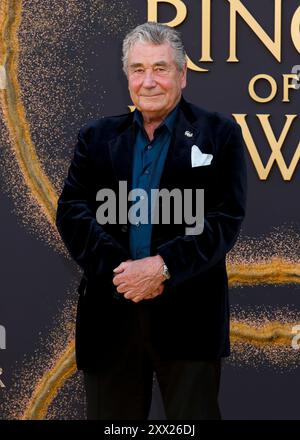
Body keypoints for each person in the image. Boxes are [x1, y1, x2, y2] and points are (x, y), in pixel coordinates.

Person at [56, 22, 247, 420]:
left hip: (190, 324)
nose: (149, 81)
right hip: (110, 322)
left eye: (160, 68)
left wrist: (161, 267)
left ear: (182, 74)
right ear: (127, 75)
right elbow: (73, 211)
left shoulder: (219, 133)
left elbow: (224, 219)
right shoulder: (95, 137)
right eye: (138, 69)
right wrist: (124, 273)